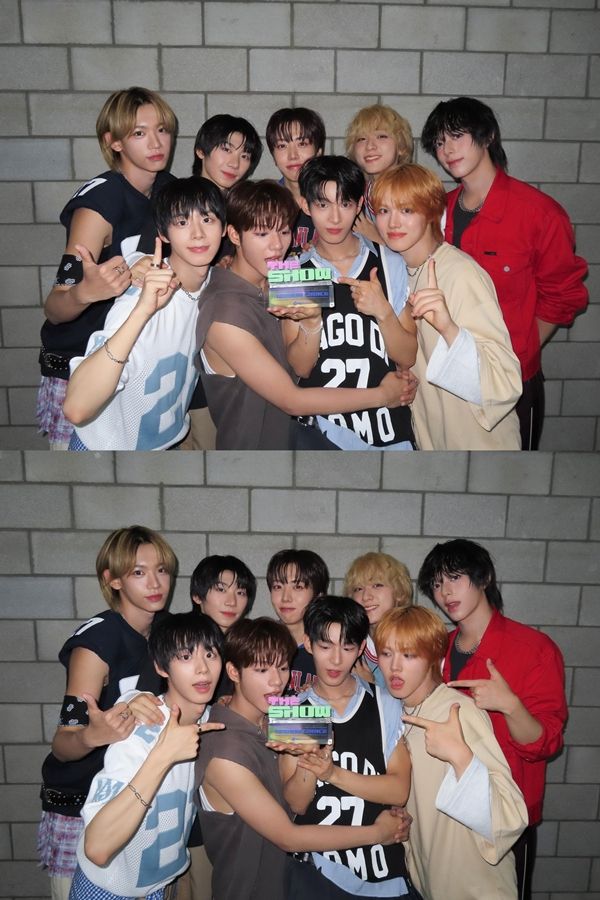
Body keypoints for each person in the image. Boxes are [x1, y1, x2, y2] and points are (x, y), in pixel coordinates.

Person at [195, 617, 406, 900]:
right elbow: (288, 837)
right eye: (261, 669)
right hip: (250, 891)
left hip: (297, 883)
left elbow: (302, 799)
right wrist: (378, 833)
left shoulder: (282, 715)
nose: (276, 681)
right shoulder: (224, 751)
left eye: (283, 667)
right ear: (233, 671)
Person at [420, 97, 588, 449]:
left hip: (510, 381)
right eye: (438, 142)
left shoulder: (539, 213)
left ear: (488, 136)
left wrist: (516, 352)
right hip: (445, 377)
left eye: (457, 136)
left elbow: (563, 297)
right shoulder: (438, 211)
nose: (447, 150)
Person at [195, 179, 410, 449]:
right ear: (235, 235)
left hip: (305, 439)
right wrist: (382, 395)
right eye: (262, 234)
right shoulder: (224, 314)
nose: (276, 245)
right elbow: (292, 400)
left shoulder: (281, 278)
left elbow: (303, 365)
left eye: (284, 231)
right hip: (255, 452)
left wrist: (312, 320)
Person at [417, 539, 568, 900]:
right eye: (436, 584)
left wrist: (510, 705)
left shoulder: (533, 649)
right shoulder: (437, 647)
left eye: (455, 577)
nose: (445, 592)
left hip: (501, 816)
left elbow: (546, 743)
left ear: (483, 578)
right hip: (442, 814)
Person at [38, 526, 177, 900]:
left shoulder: (165, 629)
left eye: (161, 570)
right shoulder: (95, 644)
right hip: (82, 806)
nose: (155, 583)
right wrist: (93, 735)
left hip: (134, 799)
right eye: (138, 572)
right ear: (113, 580)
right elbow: (63, 742)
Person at [37, 87, 176, 449]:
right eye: (139, 133)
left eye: (162, 129)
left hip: (133, 363)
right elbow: (55, 307)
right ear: (114, 142)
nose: (156, 142)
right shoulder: (99, 203)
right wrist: (86, 292)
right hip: (81, 368)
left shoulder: (167, 188)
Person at [375, 605, 528, 900]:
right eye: (386, 653)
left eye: (409, 655)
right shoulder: (397, 714)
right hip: (431, 882)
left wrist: (461, 757)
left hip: (477, 888)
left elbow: (510, 815)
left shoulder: (457, 711)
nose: (395, 667)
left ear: (434, 657)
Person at [69, 612, 225, 900]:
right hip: (108, 889)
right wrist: (163, 755)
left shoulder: (210, 719)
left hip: (161, 885)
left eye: (210, 654)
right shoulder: (139, 729)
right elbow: (97, 849)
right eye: (185, 656)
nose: (202, 669)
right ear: (161, 667)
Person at [62, 176, 225, 450]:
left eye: (207, 219)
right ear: (163, 233)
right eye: (182, 222)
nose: (198, 233)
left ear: (224, 228)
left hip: (163, 444)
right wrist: (143, 311)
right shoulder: (140, 295)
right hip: (103, 448)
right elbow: (77, 409)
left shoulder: (214, 286)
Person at [372, 162, 523, 450]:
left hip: (479, 444)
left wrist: (449, 329)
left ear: (431, 212)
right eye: (383, 211)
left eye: (407, 210)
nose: (393, 223)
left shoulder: (460, 273)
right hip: (432, 439)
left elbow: (505, 381)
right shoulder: (396, 271)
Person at [280, 596, 420, 900]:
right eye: (325, 646)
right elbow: (296, 804)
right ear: (308, 644)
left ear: (360, 648)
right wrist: (309, 762)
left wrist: (331, 773)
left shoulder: (384, 702)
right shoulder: (294, 710)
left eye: (347, 647)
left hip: (381, 872)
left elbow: (398, 790)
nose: (335, 660)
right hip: (318, 873)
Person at [290, 155, 417, 450]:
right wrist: (311, 322)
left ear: (359, 205)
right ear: (305, 205)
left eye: (345, 204)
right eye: (323, 205)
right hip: (322, 433)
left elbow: (408, 357)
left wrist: (383, 312)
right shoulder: (294, 270)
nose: (335, 218)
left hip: (387, 431)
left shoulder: (388, 262)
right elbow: (300, 368)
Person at [345, 104, 413, 244]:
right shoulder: (357, 192)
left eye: (381, 136)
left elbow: (424, 252)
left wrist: (376, 239)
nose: (370, 146)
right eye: (361, 139)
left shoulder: (414, 191)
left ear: (401, 147)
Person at [343, 551, 413, 686]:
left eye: (377, 585)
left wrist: (371, 686)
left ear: (399, 592)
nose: (366, 597)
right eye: (358, 589)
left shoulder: (416, 641)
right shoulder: (348, 644)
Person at [267, 548, 330, 692]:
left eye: (298, 587)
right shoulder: (259, 642)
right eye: (278, 586)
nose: (286, 598)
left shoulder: (332, 649)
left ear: (318, 595)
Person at [266, 107, 326, 253]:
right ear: (273, 157)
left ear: (319, 152)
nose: (292, 155)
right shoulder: (264, 203)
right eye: (282, 146)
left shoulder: (337, 200)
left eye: (302, 144)